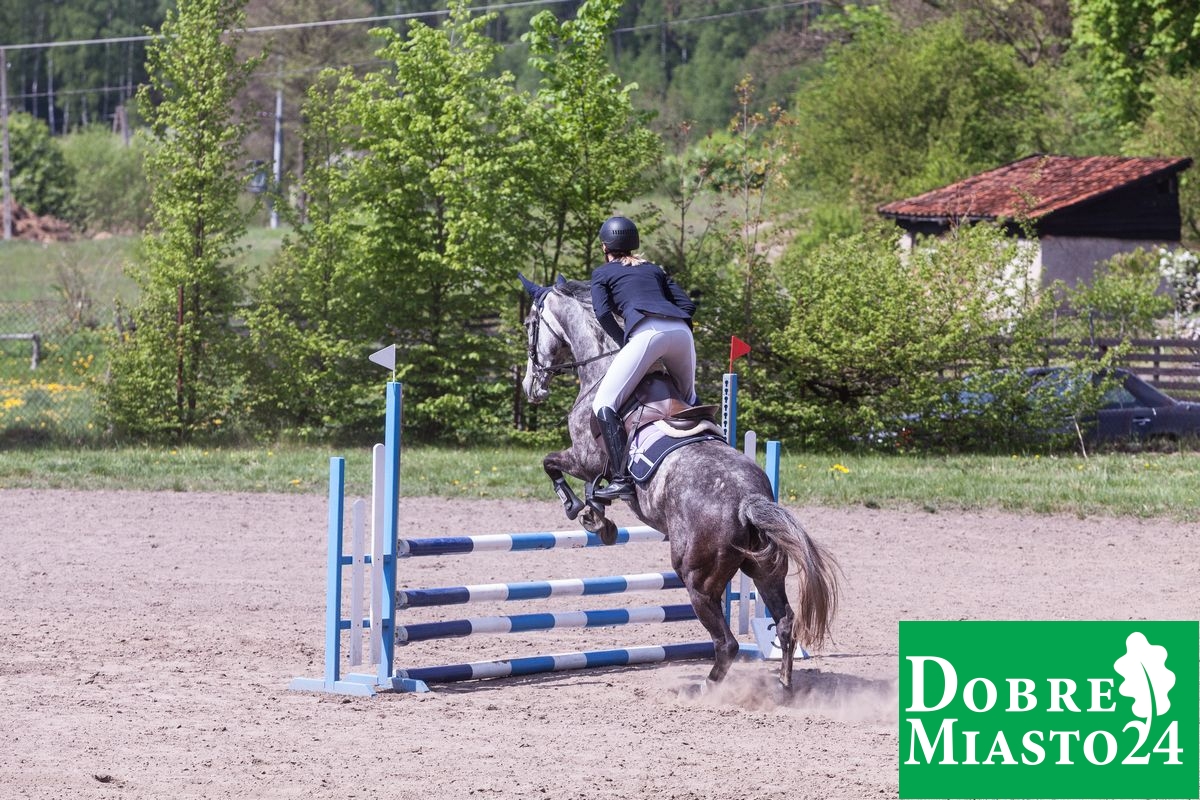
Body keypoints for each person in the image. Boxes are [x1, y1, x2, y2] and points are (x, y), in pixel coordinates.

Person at [590, 215, 697, 502]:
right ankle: (714, 446)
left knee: (603, 404)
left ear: (605, 247)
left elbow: (602, 313)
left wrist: (626, 341)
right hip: (682, 332)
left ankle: (622, 480)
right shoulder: (654, 269)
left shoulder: (602, 273)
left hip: (647, 334)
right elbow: (687, 305)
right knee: (689, 399)